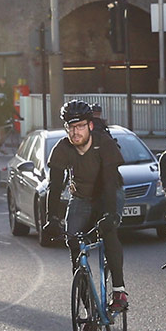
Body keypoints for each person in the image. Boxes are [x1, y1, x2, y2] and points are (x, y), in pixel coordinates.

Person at [46, 99, 129, 313]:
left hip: (109, 192)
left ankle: (119, 291)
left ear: (90, 126)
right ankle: (90, 311)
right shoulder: (62, 149)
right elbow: (54, 187)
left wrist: (110, 214)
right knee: (74, 243)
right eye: (71, 127)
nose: (76, 132)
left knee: (109, 231)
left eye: (81, 126)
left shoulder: (104, 144)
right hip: (81, 197)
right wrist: (51, 219)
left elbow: (110, 182)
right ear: (66, 128)